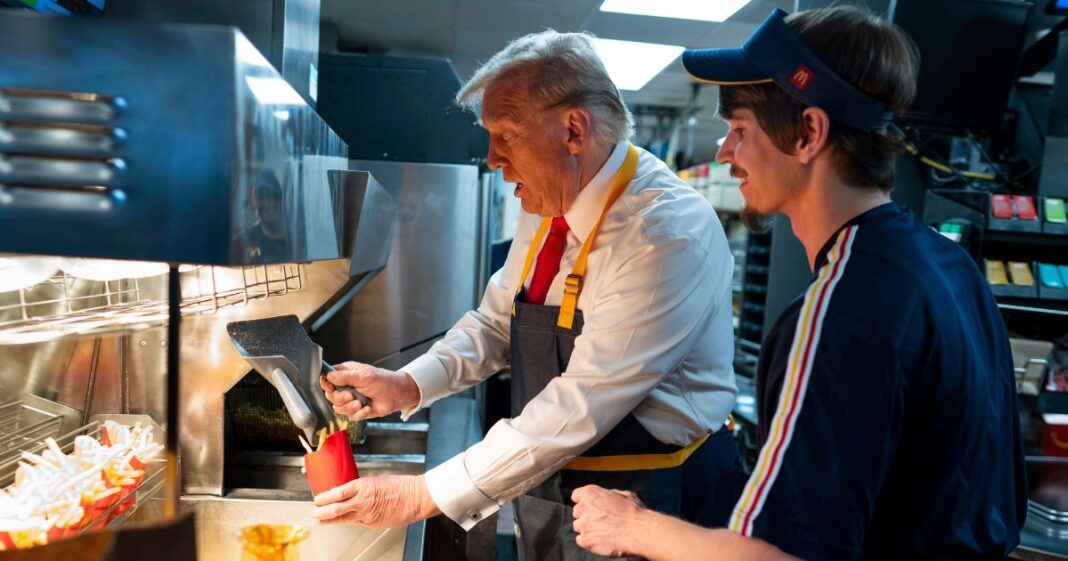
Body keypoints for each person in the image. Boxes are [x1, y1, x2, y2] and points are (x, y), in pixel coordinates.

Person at [571, 6, 1027, 560]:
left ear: (809, 132)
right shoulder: (950, 267)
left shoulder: (837, 311)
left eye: (740, 130)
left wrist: (631, 526)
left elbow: (775, 555)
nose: (725, 154)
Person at [312, 30, 743, 558]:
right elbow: (497, 320)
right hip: (556, 477)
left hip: (652, 495)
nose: (493, 158)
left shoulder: (663, 235)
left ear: (574, 131)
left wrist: (423, 494)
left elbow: (582, 400)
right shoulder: (550, 201)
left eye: (507, 134)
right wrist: (407, 384)